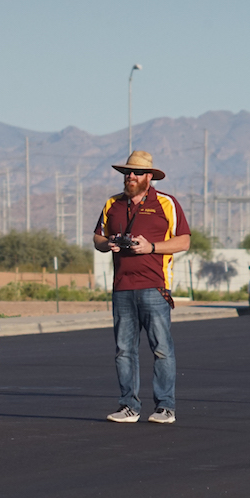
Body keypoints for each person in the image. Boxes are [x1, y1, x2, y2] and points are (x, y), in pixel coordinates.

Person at [93, 150, 190, 424]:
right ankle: (128, 406)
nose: (130, 177)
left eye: (136, 173)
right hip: (122, 288)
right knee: (124, 350)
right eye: (127, 173)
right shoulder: (112, 204)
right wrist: (107, 243)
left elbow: (183, 241)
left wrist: (152, 247)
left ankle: (165, 407)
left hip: (155, 287)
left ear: (149, 177)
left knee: (161, 348)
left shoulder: (167, 203)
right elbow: (96, 237)